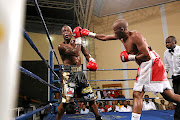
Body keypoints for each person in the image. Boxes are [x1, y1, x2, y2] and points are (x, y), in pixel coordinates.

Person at [79, 19, 180, 120]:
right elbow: (105, 37)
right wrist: (89, 34)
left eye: (115, 31)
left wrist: (129, 57)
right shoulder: (121, 36)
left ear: (122, 29)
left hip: (150, 62)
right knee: (168, 96)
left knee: (137, 93)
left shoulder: (135, 36)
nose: (114, 33)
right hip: (152, 63)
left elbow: (146, 56)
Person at [56, 25, 102, 120]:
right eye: (64, 31)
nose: (66, 33)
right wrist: (78, 38)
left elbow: (85, 53)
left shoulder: (78, 42)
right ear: (62, 34)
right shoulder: (61, 46)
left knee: (91, 98)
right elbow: (75, 52)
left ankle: (98, 117)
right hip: (69, 74)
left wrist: (91, 60)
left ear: (71, 32)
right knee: (66, 101)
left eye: (67, 31)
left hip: (80, 73)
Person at [164, 36, 180, 120]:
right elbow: (166, 66)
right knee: (176, 97)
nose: (166, 44)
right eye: (166, 42)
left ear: (175, 42)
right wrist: (163, 76)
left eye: (168, 42)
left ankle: (177, 117)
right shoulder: (166, 53)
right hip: (174, 77)